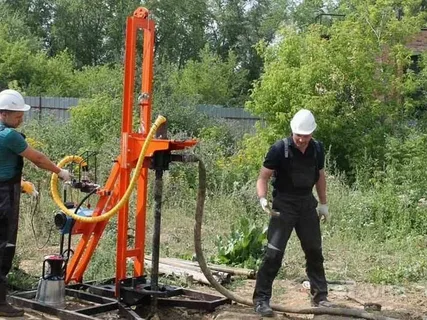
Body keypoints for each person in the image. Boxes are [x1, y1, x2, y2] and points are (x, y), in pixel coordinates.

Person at [253, 109, 331, 317]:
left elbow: (320, 177)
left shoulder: (317, 149)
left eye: (306, 135)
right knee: (273, 253)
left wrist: (323, 204)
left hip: (306, 204)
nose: (302, 139)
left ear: (312, 133)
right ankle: (261, 300)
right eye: (299, 135)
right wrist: (263, 199)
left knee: (314, 250)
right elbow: (263, 177)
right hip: (284, 204)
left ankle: (320, 298)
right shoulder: (279, 149)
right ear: (292, 132)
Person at [0, 89, 71, 317]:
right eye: (17, 115)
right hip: (4, 197)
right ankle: (0, 304)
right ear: (3, 113)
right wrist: (60, 172)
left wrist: (20, 182)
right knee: (4, 247)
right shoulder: (8, 136)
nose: (21, 118)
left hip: (5, 188)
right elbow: (38, 159)